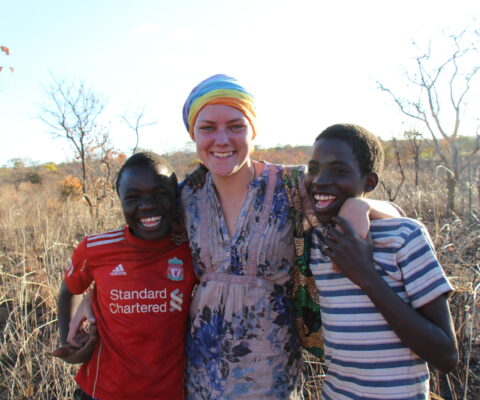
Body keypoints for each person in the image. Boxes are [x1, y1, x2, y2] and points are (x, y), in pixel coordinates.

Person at [66, 75, 402, 400]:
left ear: (253, 130)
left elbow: (394, 214)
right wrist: (92, 297)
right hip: (199, 374)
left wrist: (360, 206)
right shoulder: (185, 198)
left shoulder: (292, 186)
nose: (222, 139)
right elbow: (141, 253)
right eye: (208, 128)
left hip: (272, 375)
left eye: (236, 126)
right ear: (193, 135)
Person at [304, 124, 458, 399]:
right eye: (313, 168)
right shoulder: (317, 241)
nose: (319, 180)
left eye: (339, 171)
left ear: (369, 183)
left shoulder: (404, 237)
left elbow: (445, 355)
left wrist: (366, 275)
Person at [54, 152, 197, 400]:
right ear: (119, 200)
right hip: (102, 391)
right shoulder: (96, 249)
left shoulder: (193, 250)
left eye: (160, 194)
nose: (148, 205)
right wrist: (69, 339)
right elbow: (69, 290)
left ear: (176, 196)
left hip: (169, 392)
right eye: (132, 198)